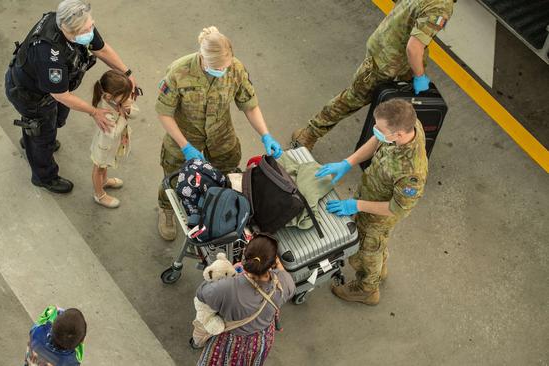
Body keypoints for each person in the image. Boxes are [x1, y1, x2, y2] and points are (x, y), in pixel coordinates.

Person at [156, 26, 283, 241]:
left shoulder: (235, 69)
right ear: (203, 59)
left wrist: (265, 135)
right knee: (177, 176)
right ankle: (166, 208)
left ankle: (215, 209)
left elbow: (249, 105)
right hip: (184, 136)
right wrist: (186, 146)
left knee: (225, 176)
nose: (223, 70)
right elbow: (164, 112)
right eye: (217, 68)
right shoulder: (179, 72)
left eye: (226, 66)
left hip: (221, 137)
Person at [5, 0, 136, 193]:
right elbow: (61, 96)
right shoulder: (49, 55)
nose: (90, 31)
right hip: (31, 95)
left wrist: (128, 73)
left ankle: (31, 141)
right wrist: (94, 112)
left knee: (56, 119)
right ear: (67, 30)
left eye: (91, 25)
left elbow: (101, 48)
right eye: (86, 29)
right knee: (44, 133)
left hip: (52, 90)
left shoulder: (77, 21)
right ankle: (44, 176)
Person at [291, 0, 455, 150]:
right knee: (351, 99)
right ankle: (308, 134)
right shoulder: (440, 7)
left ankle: (397, 140)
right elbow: (413, 48)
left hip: (395, 52)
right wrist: (419, 76)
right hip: (386, 61)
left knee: (408, 104)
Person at [315, 99, 427, 305]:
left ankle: (367, 289)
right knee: (376, 247)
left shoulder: (412, 171)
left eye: (380, 128)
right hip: (370, 194)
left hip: (378, 216)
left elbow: (398, 208)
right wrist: (348, 163)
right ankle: (379, 269)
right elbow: (378, 140)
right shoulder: (407, 125)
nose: (374, 130)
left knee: (366, 250)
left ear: (399, 134)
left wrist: (356, 206)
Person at [194, 234, 295, 365]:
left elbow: (202, 293)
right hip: (261, 340)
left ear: (244, 255)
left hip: (231, 342)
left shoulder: (226, 288)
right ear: (273, 262)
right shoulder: (286, 283)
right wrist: (276, 264)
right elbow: (284, 276)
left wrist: (226, 274)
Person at [89, 70, 138, 208]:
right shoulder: (104, 110)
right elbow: (112, 133)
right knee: (99, 167)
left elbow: (135, 111)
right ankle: (99, 195)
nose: (128, 98)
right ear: (109, 95)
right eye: (125, 96)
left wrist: (128, 109)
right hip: (104, 146)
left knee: (104, 166)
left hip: (112, 145)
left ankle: (104, 181)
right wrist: (122, 116)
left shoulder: (118, 99)